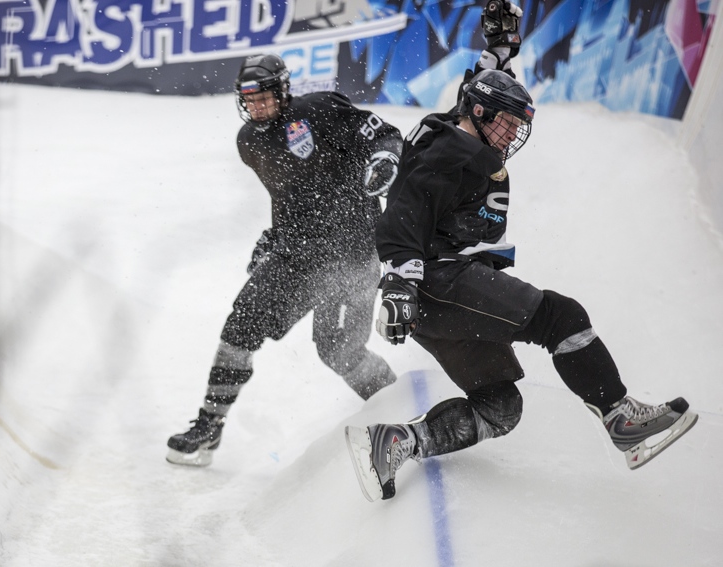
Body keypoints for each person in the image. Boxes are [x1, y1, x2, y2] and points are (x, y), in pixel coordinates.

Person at [344, 2, 698, 501]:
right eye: (507, 123)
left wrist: (499, 52)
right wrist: (401, 281)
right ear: (482, 114)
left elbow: (479, 92)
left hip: (438, 296)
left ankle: (396, 442)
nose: (513, 134)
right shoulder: (450, 153)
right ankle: (621, 419)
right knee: (560, 316)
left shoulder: (454, 129)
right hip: (440, 282)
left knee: (499, 406)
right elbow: (404, 210)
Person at [167, 53, 403, 466]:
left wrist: (384, 158)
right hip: (298, 254)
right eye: (248, 98)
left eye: (263, 97)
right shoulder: (248, 142)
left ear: (283, 91)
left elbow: (385, 134)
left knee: (339, 352)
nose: (256, 106)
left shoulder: (321, 109)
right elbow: (293, 196)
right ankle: (210, 425)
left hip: (353, 254)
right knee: (239, 327)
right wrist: (273, 236)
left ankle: (404, 419)